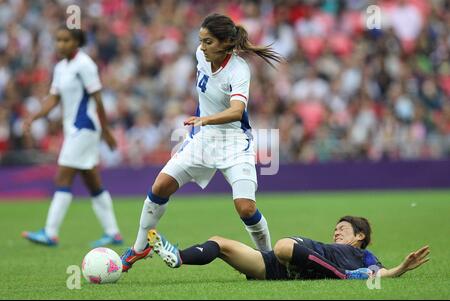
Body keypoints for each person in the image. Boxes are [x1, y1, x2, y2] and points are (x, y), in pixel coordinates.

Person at [120, 13, 283, 271]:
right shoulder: (200, 55)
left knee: (245, 208)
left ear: (225, 42)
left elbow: (237, 111)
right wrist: (202, 121)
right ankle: (140, 248)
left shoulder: (239, 69)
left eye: (208, 42)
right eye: (201, 41)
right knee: (161, 186)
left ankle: (270, 260)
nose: (202, 47)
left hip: (234, 144)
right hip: (203, 141)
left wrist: (204, 120)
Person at [21, 26, 123, 248]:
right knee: (92, 181)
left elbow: (98, 99)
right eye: (58, 40)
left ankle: (50, 232)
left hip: (84, 127)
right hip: (74, 129)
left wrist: (106, 131)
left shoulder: (85, 65)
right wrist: (33, 117)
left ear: (77, 42)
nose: (60, 44)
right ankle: (113, 233)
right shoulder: (60, 67)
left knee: (62, 177)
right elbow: (53, 99)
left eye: (65, 40)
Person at [147, 216, 430, 281]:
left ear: (360, 236)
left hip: (291, 255)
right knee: (220, 242)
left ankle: (339, 277)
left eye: (342, 229)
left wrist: (399, 269)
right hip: (278, 266)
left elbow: (375, 273)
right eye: (336, 228)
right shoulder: (330, 247)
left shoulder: (362, 254)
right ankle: (178, 257)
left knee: (283, 245)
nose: (336, 231)